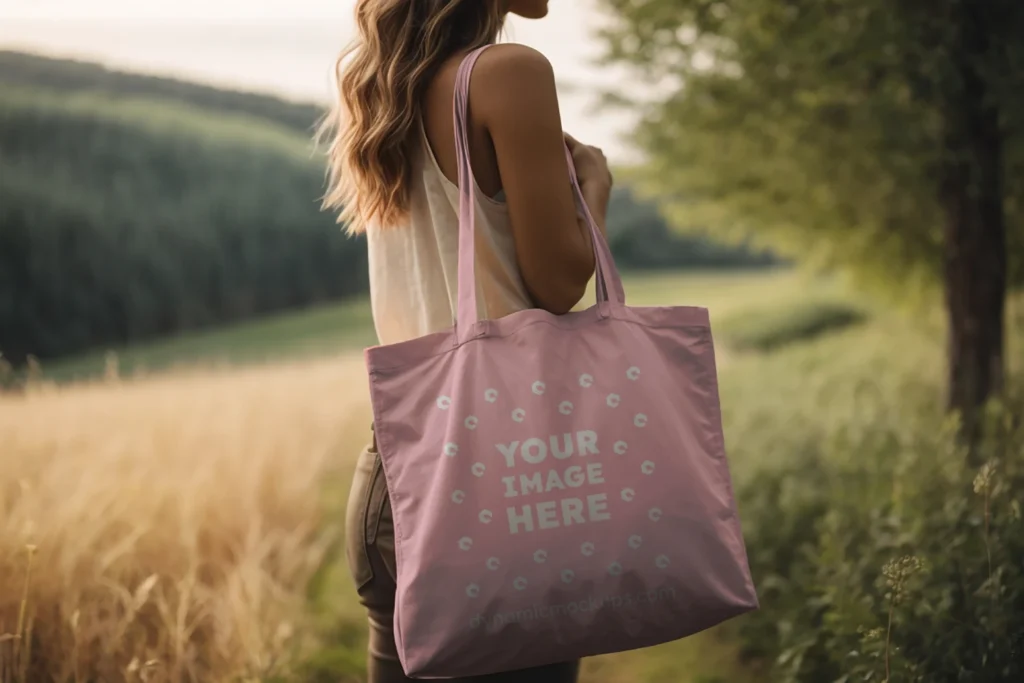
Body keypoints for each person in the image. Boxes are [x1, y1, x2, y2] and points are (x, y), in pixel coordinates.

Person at [320, 1, 614, 680]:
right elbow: (558, 282)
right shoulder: (509, 73)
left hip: (395, 481)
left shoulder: (381, 83)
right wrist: (592, 193)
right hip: (508, 475)